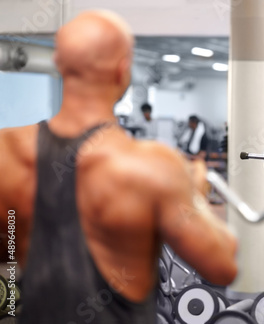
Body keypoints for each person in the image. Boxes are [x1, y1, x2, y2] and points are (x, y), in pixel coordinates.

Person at [0, 10, 237, 324]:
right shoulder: (153, 165)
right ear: (123, 70)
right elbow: (222, 265)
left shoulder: (6, 151)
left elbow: (9, 251)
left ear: (58, 64)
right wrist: (196, 197)